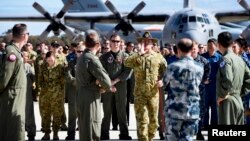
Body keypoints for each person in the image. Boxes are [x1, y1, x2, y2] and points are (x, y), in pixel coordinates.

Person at [124, 31, 167, 141]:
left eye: (148, 42)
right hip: (140, 94)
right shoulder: (136, 56)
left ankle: (150, 138)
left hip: (153, 94)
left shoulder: (158, 57)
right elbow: (126, 62)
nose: (146, 43)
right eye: (144, 42)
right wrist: (139, 53)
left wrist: (163, 80)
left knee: (154, 123)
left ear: (152, 44)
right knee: (142, 122)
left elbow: (167, 71)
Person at [75, 30, 114, 141]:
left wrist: (98, 83)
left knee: (85, 129)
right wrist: (104, 87)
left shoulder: (82, 57)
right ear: (97, 45)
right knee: (92, 130)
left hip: (82, 96)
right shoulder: (91, 58)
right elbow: (106, 80)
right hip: (90, 98)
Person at [164, 38, 204, 141]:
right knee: (188, 138)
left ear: (178, 49)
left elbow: (164, 83)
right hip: (192, 110)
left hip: (174, 110)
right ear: (192, 49)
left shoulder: (172, 67)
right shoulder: (200, 67)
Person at [100, 33, 132, 140]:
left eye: (118, 41)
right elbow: (102, 73)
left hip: (121, 87)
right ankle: (104, 134)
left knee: (122, 111)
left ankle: (124, 134)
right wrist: (109, 85)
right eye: (113, 41)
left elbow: (127, 71)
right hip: (107, 88)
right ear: (110, 42)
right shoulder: (104, 57)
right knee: (107, 111)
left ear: (121, 43)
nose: (116, 43)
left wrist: (114, 82)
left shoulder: (126, 56)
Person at [0, 23, 29, 141]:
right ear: (24, 36)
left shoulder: (16, 51)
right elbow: (4, 80)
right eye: (28, 33)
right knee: (14, 133)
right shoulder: (11, 52)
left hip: (16, 100)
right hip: (12, 101)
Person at [216, 32, 250, 125]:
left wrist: (222, 96)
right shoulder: (240, 59)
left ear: (218, 45)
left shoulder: (225, 59)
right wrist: (239, 93)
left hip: (227, 102)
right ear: (231, 44)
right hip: (238, 100)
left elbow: (228, 80)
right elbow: (248, 79)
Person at [38, 51, 66, 140]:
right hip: (45, 95)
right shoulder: (42, 67)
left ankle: (55, 133)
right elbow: (40, 80)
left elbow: (63, 81)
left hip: (57, 96)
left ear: (55, 58)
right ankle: (46, 133)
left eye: (51, 60)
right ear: (46, 59)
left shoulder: (60, 67)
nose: (49, 62)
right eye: (48, 60)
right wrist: (43, 89)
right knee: (45, 115)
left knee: (57, 115)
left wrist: (58, 90)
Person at [191, 42, 211, 140]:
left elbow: (207, 74)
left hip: (200, 92)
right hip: (188, 93)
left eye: (195, 48)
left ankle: (199, 132)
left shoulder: (204, 61)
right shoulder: (186, 61)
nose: (193, 50)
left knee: (201, 112)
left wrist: (203, 80)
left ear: (198, 49)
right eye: (191, 48)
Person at [65, 45, 85, 140]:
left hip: (85, 91)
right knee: (72, 113)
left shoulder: (88, 63)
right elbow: (67, 75)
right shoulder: (71, 63)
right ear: (75, 52)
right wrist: (75, 81)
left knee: (84, 114)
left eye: (82, 51)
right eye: (78, 51)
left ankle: (84, 134)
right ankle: (71, 134)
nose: (80, 53)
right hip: (73, 90)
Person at [23, 51, 36, 140]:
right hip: (17, 94)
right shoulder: (15, 65)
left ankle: (31, 134)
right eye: (24, 56)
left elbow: (34, 77)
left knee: (29, 113)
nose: (26, 58)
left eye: (27, 56)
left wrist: (34, 83)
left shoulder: (28, 66)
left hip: (27, 93)